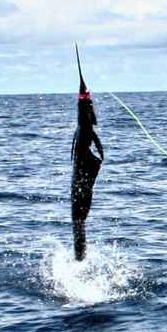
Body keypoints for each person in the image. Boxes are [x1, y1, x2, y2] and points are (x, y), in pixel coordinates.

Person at [71, 50, 104, 261]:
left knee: (80, 218)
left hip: (83, 173)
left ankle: (80, 257)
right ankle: (80, 257)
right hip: (81, 175)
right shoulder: (84, 129)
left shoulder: (84, 128)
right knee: (79, 218)